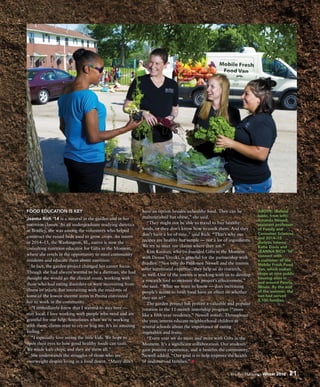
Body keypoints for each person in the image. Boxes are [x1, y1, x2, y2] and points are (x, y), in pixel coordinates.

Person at [58, 48, 142, 193]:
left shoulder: (65, 91)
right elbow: (94, 137)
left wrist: (76, 143)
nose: (102, 74)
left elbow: (63, 127)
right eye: (100, 69)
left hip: (71, 157)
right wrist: (126, 128)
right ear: (86, 69)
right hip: (89, 162)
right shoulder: (88, 97)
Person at [124, 48, 179, 193]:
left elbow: (175, 109)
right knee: (143, 181)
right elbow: (127, 106)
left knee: (164, 181)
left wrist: (171, 118)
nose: (152, 66)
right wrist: (142, 113)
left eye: (157, 63)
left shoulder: (172, 85)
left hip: (163, 140)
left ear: (165, 65)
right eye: (151, 62)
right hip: (140, 139)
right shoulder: (139, 82)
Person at [215, 77, 277, 193]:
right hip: (244, 183)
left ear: (260, 99)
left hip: (252, 186)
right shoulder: (253, 118)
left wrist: (231, 143)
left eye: (246, 94)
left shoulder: (263, 121)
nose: (242, 96)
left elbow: (261, 153)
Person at [191, 74, 241, 159]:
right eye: (207, 86)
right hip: (201, 159)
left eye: (212, 87)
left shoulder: (233, 112)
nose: (207, 89)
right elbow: (196, 132)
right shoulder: (201, 109)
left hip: (222, 161)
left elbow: (234, 139)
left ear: (222, 89)